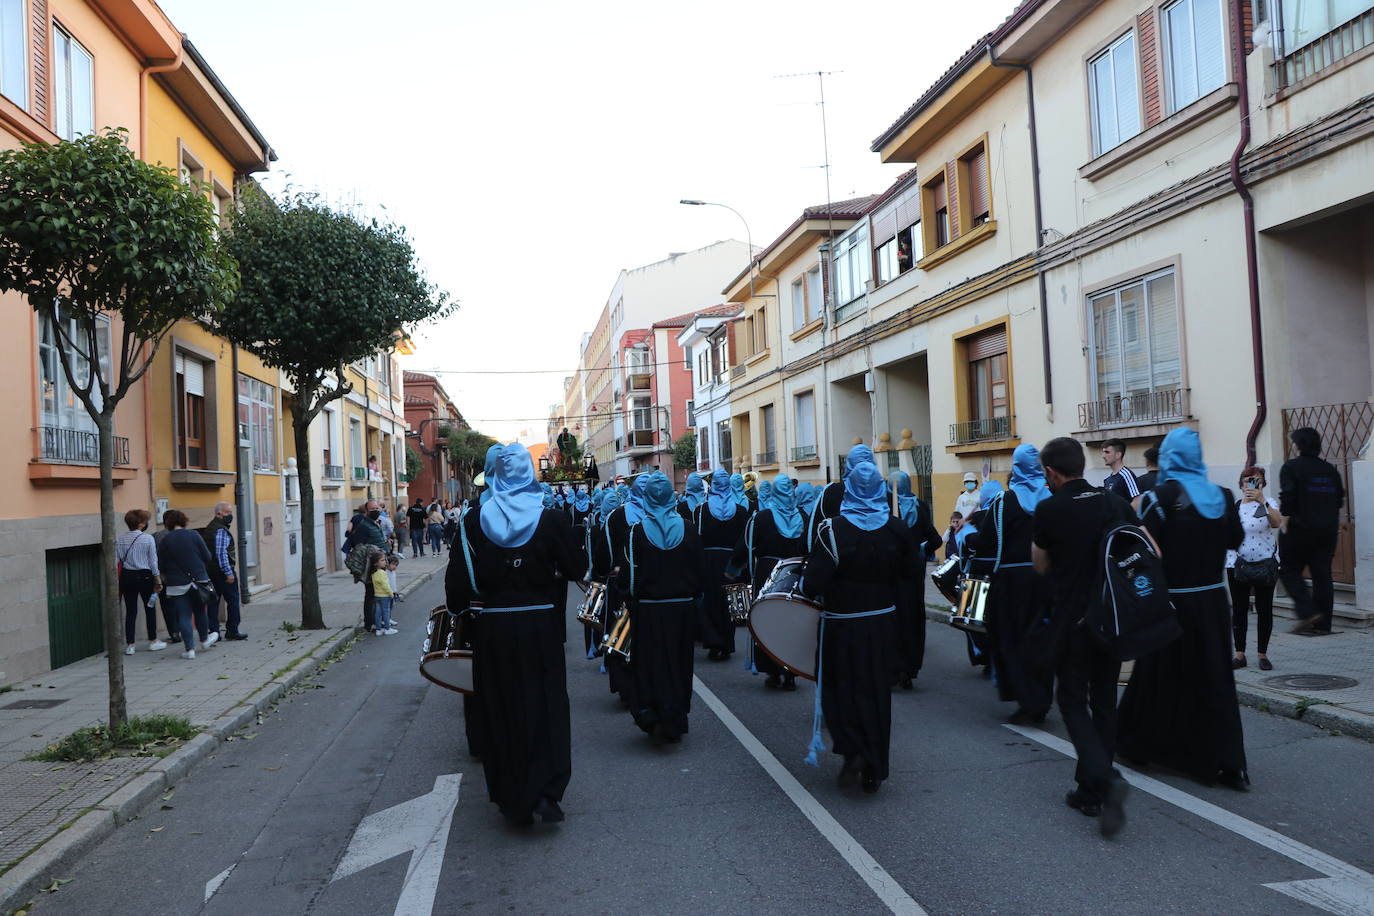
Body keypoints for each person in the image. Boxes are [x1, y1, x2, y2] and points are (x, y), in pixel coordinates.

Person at [446, 443, 586, 825]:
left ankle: (513, 796)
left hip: (495, 627)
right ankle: (548, 792)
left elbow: (457, 584)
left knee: (502, 706)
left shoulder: (472, 520)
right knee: (547, 704)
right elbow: (578, 566)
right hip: (541, 624)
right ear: (529, 472)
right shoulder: (552, 518)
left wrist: (461, 612)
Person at [1118, 428, 1247, 790]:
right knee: (1212, 677)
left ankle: (1142, 744)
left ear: (1171, 456)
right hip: (1213, 600)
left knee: (1159, 674)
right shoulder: (1222, 496)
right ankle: (1223, 760)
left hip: (1173, 600)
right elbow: (1235, 540)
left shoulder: (1160, 497)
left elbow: (1144, 547)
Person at [1032, 437, 1136, 837]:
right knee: (1105, 700)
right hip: (1111, 618)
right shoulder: (1112, 501)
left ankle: (1105, 780)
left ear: (1051, 473)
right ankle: (1089, 791)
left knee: (1072, 700)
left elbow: (1039, 565)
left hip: (1073, 621)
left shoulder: (1050, 508)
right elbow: (1150, 550)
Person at [799, 460, 917, 793]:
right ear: (880, 488)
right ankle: (875, 764)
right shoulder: (897, 529)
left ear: (848, 489)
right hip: (883, 626)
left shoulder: (831, 530)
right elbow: (910, 574)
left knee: (839, 691)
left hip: (842, 628)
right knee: (877, 694)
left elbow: (812, 584)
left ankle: (852, 750)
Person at [616, 471, 704, 742]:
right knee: (679, 662)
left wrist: (631, 598)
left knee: (651, 663)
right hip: (682, 610)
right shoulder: (689, 528)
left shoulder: (636, 532)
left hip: (649, 610)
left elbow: (628, 581)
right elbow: (699, 571)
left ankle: (652, 714)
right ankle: (676, 716)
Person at [968, 446, 1054, 722]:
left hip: (1011, 582)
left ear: (1015, 467)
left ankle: (1027, 702)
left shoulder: (1005, 502)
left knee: (1013, 641)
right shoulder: (1051, 497)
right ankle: (1041, 698)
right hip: (1045, 579)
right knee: (1041, 640)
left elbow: (986, 541)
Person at [730, 474, 807, 690]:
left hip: (768, 576)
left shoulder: (761, 518)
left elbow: (747, 544)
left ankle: (773, 671)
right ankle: (791, 671)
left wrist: (733, 569)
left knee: (767, 621)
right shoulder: (802, 516)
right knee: (793, 624)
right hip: (794, 576)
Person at [1280, 427, 1345, 635]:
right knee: (1322, 575)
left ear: (1299, 445)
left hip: (1300, 529)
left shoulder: (1291, 467)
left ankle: (1307, 611)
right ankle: (1324, 625)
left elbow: (1288, 496)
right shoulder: (1331, 470)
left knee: (1289, 571)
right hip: (1327, 531)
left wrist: (1285, 520)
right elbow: (1338, 501)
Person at [888, 471, 942, 689]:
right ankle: (910, 668)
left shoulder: (886, 506)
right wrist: (920, 550)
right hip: (914, 572)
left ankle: (895, 668)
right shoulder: (921, 506)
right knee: (913, 617)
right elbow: (935, 538)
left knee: (894, 619)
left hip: (893, 572)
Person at [1228, 467, 1281, 671]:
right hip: (1236, 564)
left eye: (1256, 482)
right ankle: (1239, 654)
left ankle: (1262, 654)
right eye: (1247, 481)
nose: (1251, 485)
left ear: (1263, 485)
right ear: (1241, 485)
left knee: (1264, 608)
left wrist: (1262, 501)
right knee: (1239, 609)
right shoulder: (1235, 507)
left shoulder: (1269, 504)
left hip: (1265, 564)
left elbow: (1277, 523)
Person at [696, 469, 749, 661]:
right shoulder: (742, 510)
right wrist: (740, 566)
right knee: (731, 603)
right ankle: (727, 644)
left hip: (709, 562)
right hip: (732, 562)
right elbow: (745, 541)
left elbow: (698, 539)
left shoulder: (701, 510)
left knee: (710, 602)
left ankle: (714, 643)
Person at [157, 509, 216, 660]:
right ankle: (204, 640)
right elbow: (207, 556)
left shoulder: (166, 540)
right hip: (198, 581)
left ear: (168, 523)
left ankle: (189, 650)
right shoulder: (194, 535)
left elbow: (161, 564)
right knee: (200, 612)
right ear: (184, 521)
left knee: (184, 615)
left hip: (176, 583)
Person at [117, 509, 165, 654]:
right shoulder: (148, 538)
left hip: (127, 576)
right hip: (145, 576)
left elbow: (117, 559)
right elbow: (153, 561)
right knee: (150, 608)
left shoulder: (120, 539)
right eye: (144, 521)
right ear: (140, 524)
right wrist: (157, 579)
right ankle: (153, 641)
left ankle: (130, 645)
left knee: (130, 611)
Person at [201, 502, 245, 641]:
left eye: (230, 512)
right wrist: (228, 572)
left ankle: (214, 632)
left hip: (211, 571)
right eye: (227, 513)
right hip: (222, 572)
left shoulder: (210, 528)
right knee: (232, 600)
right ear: (218, 514)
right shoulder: (220, 530)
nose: (230, 516)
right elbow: (221, 553)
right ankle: (232, 630)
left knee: (213, 601)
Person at [344, 500, 388, 631]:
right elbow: (359, 547)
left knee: (378, 594)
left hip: (380, 564)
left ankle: (379, 620)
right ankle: (370, 623)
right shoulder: (364, 526)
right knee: (371, 595)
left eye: (377, 508)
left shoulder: (375, 523)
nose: (376, 510)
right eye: (373, 509)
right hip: (371, 567)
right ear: (367, 511)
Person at [371, 552, 396, 635]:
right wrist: (391, 593)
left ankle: (378, 629)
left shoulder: (374, 573)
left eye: (385, 560)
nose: (385, 561)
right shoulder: (382, 573)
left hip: (377, 595)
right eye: (382, 560)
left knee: (378, 613)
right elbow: (386, 585)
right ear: (376, 563)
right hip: (384, 596)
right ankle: (387, 628)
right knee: (386, 612)